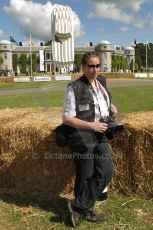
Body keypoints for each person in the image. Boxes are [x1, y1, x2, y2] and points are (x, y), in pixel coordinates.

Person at [62, 51, 117, 227]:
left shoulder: (101, 82)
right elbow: (67, 119)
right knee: (85, 175)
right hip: (82, 137)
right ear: (83, 67)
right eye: (91, 66)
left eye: (97, 66)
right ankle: (85, 210)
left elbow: (100, 102)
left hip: (101, 135)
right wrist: (91, 125)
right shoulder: (74, 88)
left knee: (107, 171)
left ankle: (77, 206)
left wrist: (110, 107)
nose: (95, 69)